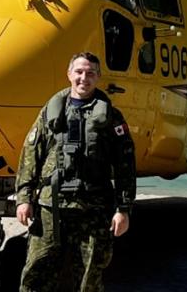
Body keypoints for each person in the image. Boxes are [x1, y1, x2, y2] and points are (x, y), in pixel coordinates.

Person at [15, 52, 136, 292]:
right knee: (37, 270)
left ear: (98, 77)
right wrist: (24, 198)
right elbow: (31, 154)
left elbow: (125, 164)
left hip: (93, 208)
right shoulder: (50, 113)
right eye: (79, 72)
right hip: (52, 206)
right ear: (69, 74)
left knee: (89, 274)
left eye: (90, 73)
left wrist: (123, 209)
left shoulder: (112, 118)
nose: (84, 78)